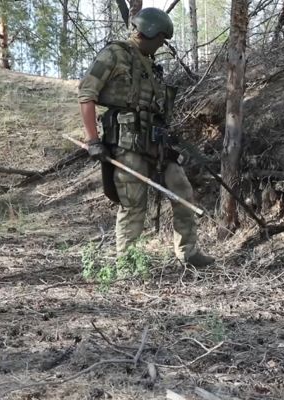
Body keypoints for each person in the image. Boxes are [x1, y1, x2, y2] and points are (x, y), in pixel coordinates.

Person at [76, 7, 215, 267]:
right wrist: (93, 140)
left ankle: (189, 252)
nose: (162, 44)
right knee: (133, 203)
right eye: (161, 38)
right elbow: (86, 94)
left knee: (182, 189)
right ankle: (128, 266)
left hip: (156, 141)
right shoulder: (113, 54)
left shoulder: (148, 63)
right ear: (149, 32)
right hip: (126, 144)